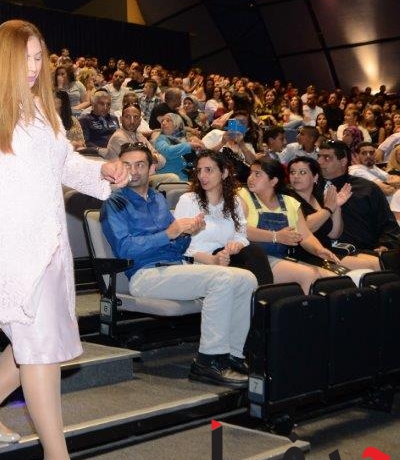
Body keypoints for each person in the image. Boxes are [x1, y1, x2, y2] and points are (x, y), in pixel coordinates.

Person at [0, 19, 127, 460]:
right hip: (5, 248)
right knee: (39, 348)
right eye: (24, 57)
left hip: (48, 246)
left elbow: (66, 165)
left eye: (39, 57)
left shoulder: (46, 112)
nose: (33, 67)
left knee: (31, 341)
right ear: (3, 59)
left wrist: (103, 170)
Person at [102, 144, 258, 387]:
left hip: (174, 267)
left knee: (247, 278)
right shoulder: (114, 202)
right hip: (145, 275)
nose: (133, 171)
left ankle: (232, 355)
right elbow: (125, 249)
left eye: (140, 165)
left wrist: (187, 233)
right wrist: (169, 233)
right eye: (127, 165)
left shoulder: (157, 199)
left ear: (151, 168)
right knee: (223, 279)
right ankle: (208, 361)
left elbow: (177, 246)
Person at [238, 157, 340, 294]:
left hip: (281, 258)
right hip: (252, 260)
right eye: (251, 173)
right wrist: (276, 236)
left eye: (257, 174)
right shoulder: (241, 195)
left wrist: (319, 250)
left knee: (333, 279)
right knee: (309, 276)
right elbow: (239, 230)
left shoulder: (290, 202)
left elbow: (305, 236)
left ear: (273, 181)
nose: (250, 178)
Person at [174, 151, 273, 284]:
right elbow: (177, 245)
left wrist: (236, 245)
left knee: (254, 251)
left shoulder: (234, 202)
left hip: (224, 258)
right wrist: (212, 260)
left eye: (208, 170)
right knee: (243, 273)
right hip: (197, 263)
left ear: (224, 173)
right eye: (199, 170)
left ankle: (263, 295)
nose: (202, 175)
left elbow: (241, 236)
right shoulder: (188, 200)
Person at [286, 156, 381, 271]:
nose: (296, 176)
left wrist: (336, 206)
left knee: (378, 261)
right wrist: (328, 209)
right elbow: (305, 228)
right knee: (370, 266)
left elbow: (334, 234)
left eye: (302, 172)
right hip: (306, 254)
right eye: (292, 172)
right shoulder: (288, 198)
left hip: (328, 249)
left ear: (315, 177)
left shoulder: (319, 198)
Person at [318, 140, 400, 261]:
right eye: (319, 156)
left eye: (327, 158)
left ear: (343, 161)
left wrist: (385, 245)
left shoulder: (367, 188)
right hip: (320, 253)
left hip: (365, 253)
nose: (320, 162)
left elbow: (388, 224)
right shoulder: (310, 189)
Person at [154, 113, 205, 181]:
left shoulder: (186, 139)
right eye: (162, 121)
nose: (163, 123)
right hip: (170, 179)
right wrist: (189, 145)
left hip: (189, 178)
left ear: (177, 124)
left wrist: (200, 149)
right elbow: (167, 152)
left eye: (168, 120)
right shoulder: (161, 139)